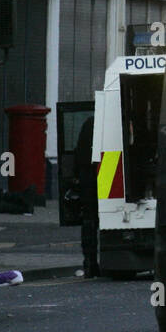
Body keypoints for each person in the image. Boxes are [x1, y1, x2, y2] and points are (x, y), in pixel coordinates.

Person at [74, 114, 100, 278]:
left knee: (89, 219)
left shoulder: (90, 122)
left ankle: (89, 262)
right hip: (106, 176)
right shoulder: (114, 122)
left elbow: (80, 153)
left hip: (88, 177)